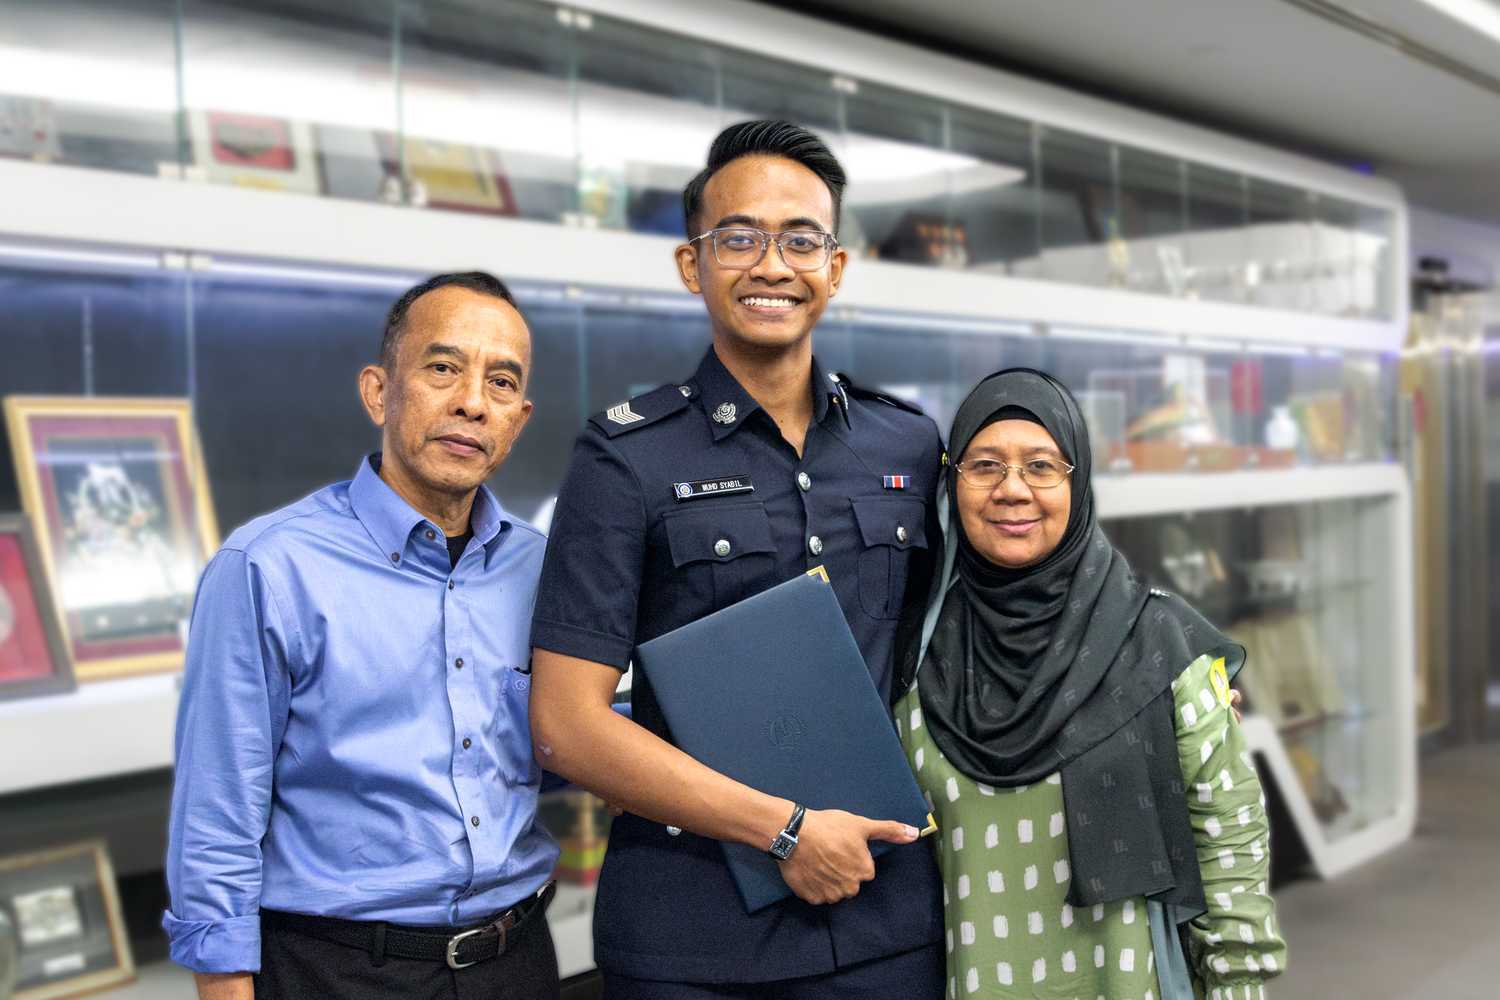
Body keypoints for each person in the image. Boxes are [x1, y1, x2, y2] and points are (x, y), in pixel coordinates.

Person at [528, 120, 947, 998]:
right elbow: (566, 725)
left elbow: (980, 619)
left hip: (886, 922)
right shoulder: (625, 458)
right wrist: (785, 830)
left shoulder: (904, 442)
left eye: (802, 240)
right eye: (740, 238)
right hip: (695, 938)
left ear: (834, 267)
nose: (771, 265)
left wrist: (1173, 671)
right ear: (693, 264)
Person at [163, 272, 561, 1000]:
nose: (473, 401)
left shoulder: (541, 569)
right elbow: (217, 821)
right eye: (443, 369)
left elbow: (556, 743)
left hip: (519, 961)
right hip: (340, 970)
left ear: (520, 417)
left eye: (501, 383)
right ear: (379, 391)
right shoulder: (269, 568)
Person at [893, 368, 1287, 1000]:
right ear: (952, 483)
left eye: (1042, 466)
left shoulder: (1158, 645)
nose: (1012, 490)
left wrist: (1239, 983)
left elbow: (1230, 845)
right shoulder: (913, 657)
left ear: (1077, 483)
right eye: (985, 465)